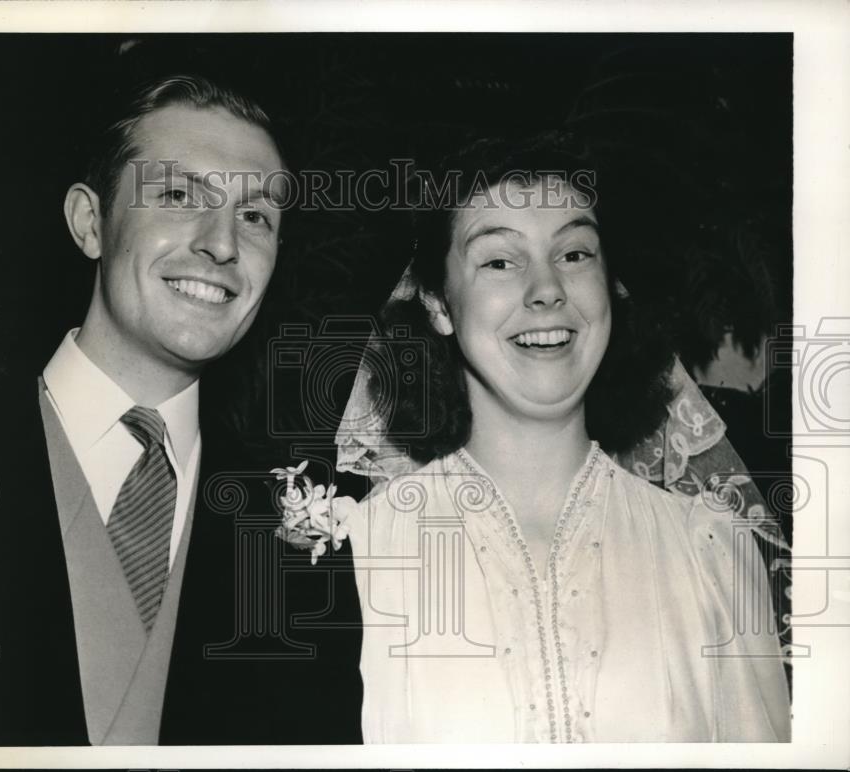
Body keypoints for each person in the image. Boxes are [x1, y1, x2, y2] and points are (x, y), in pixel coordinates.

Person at [0, 74, 362, 746]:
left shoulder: (315, 525)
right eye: (177, 195)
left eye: (255, 216)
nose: (223, 244)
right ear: (89, 223)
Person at [327, 137, 791, 742]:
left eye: (574, 253)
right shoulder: (364, 551)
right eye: (499, 260)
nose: (547, 289)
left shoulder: (711, 551)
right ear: (439, 305)